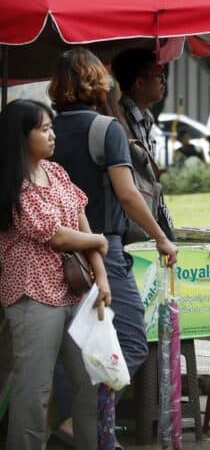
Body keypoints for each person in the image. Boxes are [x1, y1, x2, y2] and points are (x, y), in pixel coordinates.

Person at [48, 48, 177, 433]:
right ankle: (79, 423)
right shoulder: (108, 130)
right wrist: (161, 238)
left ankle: (75, 423)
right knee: (132, 343)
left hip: (53, 250)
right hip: (101, 250)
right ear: (97, 83)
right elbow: (127, 194)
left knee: (70, 348)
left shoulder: (45, 128)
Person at [0, 100, 111, 450]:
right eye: (43, 129)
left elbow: (82, 224)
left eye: (51, 127)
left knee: (88, 382)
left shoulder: (57, 173)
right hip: (33, 297)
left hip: (74, 294)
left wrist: (102, 277)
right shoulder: (14, 186)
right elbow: (56, 235)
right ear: (20, 136)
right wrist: (98, 240)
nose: (52, 135)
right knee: (34, 392)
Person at [110, 48, 175, 231]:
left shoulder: (145, 118)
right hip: (131, 222)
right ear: (139, 82)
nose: (164, 82)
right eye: (159, 76)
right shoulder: (121, 121)